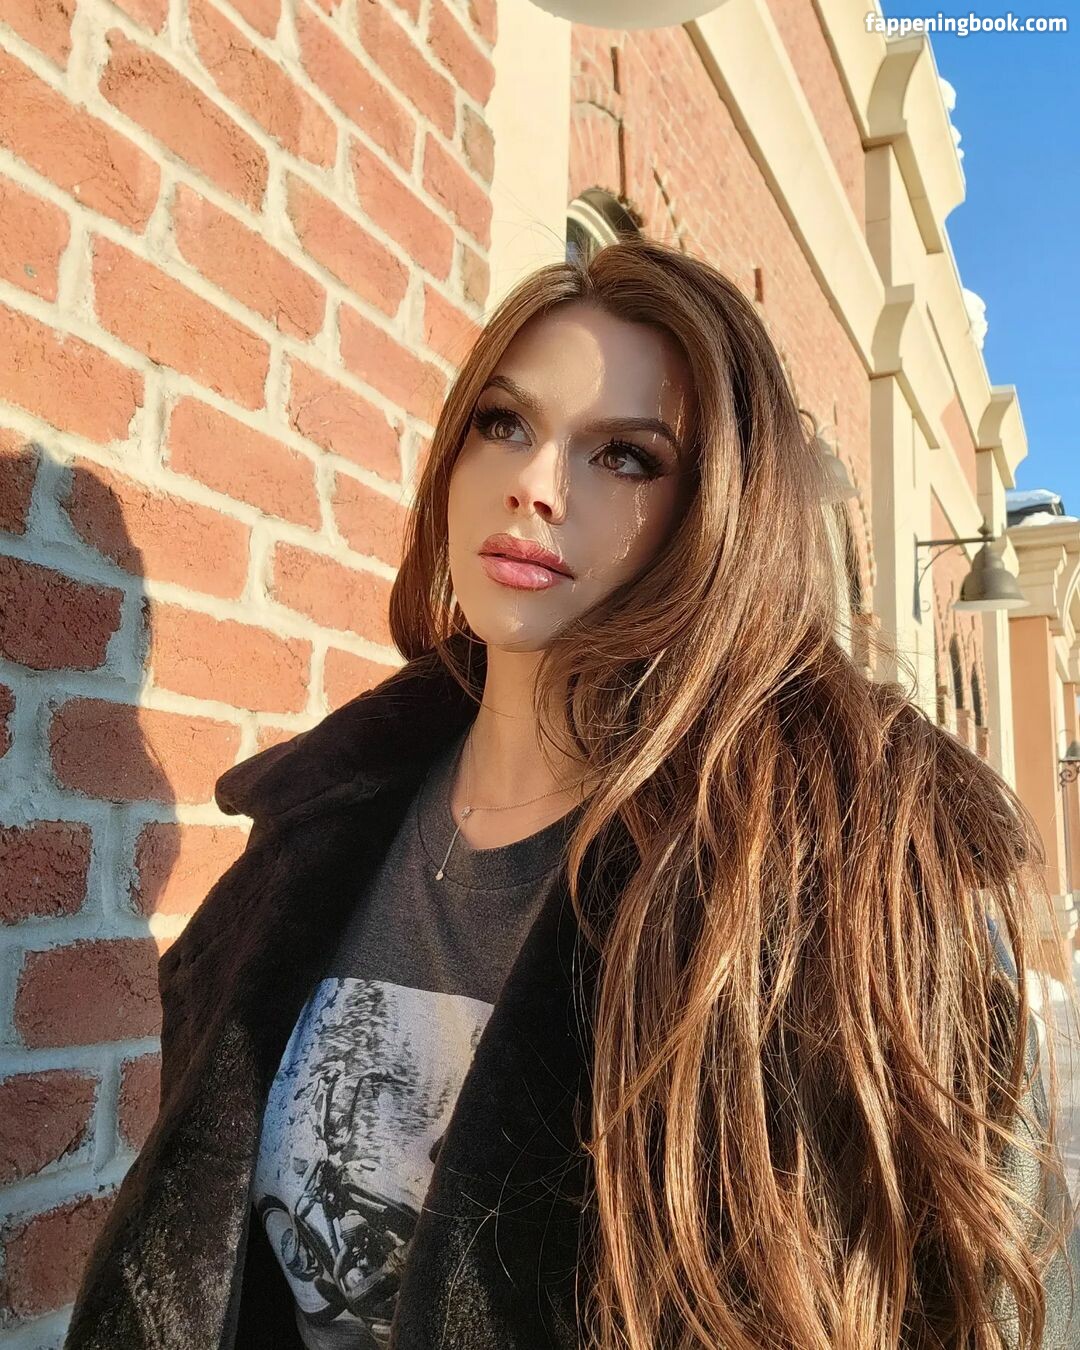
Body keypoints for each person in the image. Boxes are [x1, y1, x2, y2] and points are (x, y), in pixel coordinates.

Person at [64, 234, 1079, 1349]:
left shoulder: (837, 883)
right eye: (505, 423)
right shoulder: (319, 828)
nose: (535, 488)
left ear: (721, 514)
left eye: (626, 457)